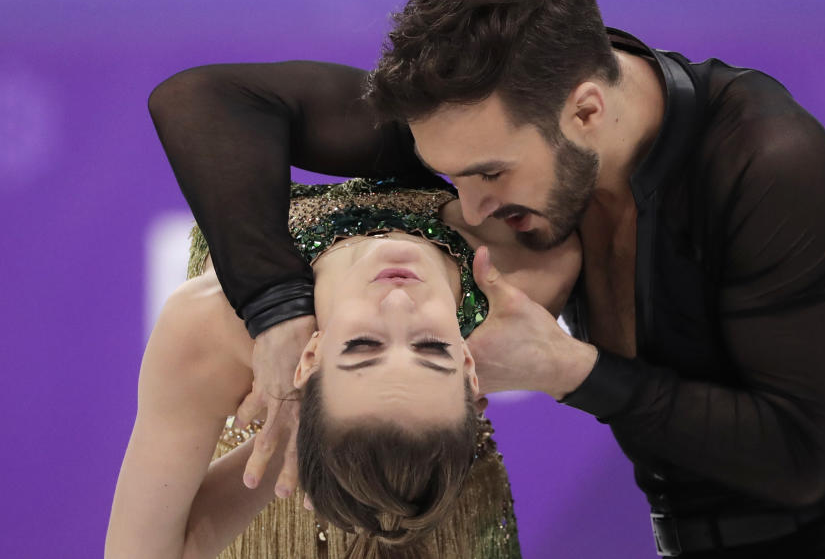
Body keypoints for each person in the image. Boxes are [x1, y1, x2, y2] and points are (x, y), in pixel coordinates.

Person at [146, 0, 825, 559]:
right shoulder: (495, 130)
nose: (470, 204)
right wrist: (277, 301)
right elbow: (203, 101)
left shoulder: (766, 157)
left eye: (489, 173)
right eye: (450, 173)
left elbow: (799, 457)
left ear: (588, 112)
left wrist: (568, 369)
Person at [106, 178, 581, 559]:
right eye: (432, 350)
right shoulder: (522, 271)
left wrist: (305, 436)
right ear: (469, 366)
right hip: (285, 520)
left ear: (309, 358)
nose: (397, 305)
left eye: (363, 346)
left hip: (400, 503)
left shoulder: (216, 321)